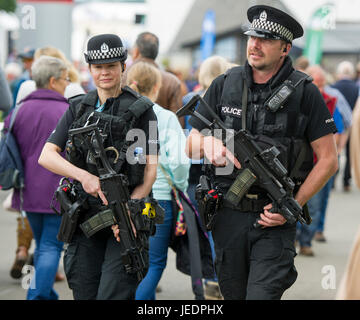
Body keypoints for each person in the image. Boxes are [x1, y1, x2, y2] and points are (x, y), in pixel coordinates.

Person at [185, 5, 338, 300]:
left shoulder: (305, 92)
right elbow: (189, 143)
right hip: (228, 217)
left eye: (265, 39)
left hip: (274, 219)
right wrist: (207, 144)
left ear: (285, 48)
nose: (254, 45)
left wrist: (293, 204)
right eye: (252, 37)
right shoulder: (224, 84)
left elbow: (329, 160)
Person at [38, 34, 159, 300]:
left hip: (123, 218)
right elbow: (47, 156)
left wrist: (131, 208)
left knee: (113, 293)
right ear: (90, 69)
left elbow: (150, 169)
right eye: (98, 67)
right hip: (85, 218)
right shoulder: (79, 107)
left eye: (111, 66)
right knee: (83, 289)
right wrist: (84, 177)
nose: (104, 72)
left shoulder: (142, 111)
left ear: (123, 67)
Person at [3, 56, 70, 299]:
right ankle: (38, 296)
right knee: (51, 247)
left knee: (43, 245)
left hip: (27, 190)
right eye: (65, 79)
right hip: (59, 190)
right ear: (53, 81)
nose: (67, 83)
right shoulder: (67, 110)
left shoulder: (19, 110)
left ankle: (44, 294)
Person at [124, 61, 190, 300]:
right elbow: (180, 163)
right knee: (153, 263)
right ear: (156, 87)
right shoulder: (166, 117)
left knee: (129, 261)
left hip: (122, 199)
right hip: (155, 200)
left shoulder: (119, 112)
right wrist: (181, 187)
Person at [183, 55, 231, 300]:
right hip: (222, 173)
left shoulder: (189, 100)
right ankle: (219, 282)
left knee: (201, 234)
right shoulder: (229, 99)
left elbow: (186, 140)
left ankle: (209, 285)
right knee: (217, 234)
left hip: (194, 176)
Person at [295, 65, 343, 256]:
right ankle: (292, 240)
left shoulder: (330, 102)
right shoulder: (295, 99)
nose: (319, 88)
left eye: (321, 84)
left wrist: (334, 153)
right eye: (316, 83)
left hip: (317, 162)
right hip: (295, 161)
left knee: (313, 203)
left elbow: (337, 128)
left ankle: (306, 241)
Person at [124, 31, 184, 127]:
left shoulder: (121, 76)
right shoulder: (172, 81)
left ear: (135, 52)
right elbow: (178, 122)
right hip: (161, 138)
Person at [332, 61, 359, 192]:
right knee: (349, 153)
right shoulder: (356, 87)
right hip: (353, 124)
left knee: (335, 151)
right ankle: (346, 181)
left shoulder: (334, 87)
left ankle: (332, 180)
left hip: (336, 123)